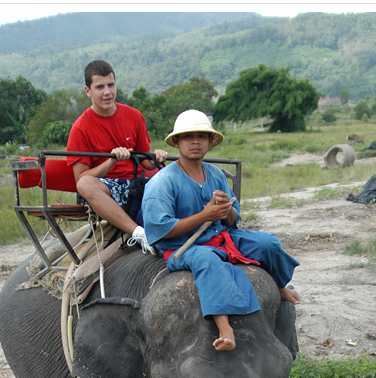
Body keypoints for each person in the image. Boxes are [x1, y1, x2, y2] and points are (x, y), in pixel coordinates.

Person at [142, 110, 300, 351]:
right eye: (188, 137)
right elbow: (160, 231)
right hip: (183, 246)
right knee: (206, 260)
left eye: (201, 136)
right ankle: (224, 327)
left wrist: (225, 210)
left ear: (210, 141)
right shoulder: (162, 182)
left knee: (268, 243)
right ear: (176, 142)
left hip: (220, 237)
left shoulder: (216, 174)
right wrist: (204, 216)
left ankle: (278, 285)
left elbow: (232, 220)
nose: (195, 142)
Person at [66, 60, 168, 239]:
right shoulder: (80, 128)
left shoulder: (134, 116)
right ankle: (137, 232)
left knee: (178, 173)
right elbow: (81, 178)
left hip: (136, 183)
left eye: (111, 85)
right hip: (104, 187)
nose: (107, 92)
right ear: (87, 90)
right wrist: (111, 160)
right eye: (99, 87)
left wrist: (156, 158)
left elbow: (145, 161)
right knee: (84, 184)